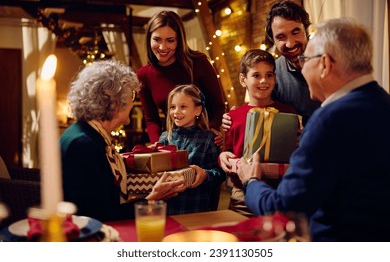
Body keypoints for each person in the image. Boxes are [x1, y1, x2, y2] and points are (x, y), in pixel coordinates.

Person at [237, 18, 390, 241]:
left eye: (305, 59)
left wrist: (251, 181)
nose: (301, 67)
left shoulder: (329, 120)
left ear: (325, 64)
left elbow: (285, 208)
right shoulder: (384, 103)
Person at [61, 60, 186, 222]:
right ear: (116, 102)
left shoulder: (84, 133)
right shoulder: (84, 145)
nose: (133, 102)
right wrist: (152, 199)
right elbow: (103, 215)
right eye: (131, 95)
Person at [219, 49, 297, 217]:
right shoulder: (233, 117)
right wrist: (223, 156)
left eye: (269, 75)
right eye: (256, 75)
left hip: (279, 193)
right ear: (243, 80)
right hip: (242, 195)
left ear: (275, 78)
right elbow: (229, 151)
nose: (264, 80)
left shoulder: (288, 112)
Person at [222, 0, 321, 131]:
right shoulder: (273, 73)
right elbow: (262, 109)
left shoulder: (331, 60)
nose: (290, 44)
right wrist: (235, 117)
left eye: (296, 32)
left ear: (306, 29)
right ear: (273, 40)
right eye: (281, 37)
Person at [137, 10, 225, 145]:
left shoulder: (198, 62)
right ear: (149, 39)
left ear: (179, 40)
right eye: (157, 39)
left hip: (204, 139)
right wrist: (157, 144)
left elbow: (218, 105)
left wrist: (211, 130)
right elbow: (151, 120)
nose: (162, 47)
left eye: (170, 40)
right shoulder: (143, 75)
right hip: (172, 142)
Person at [158, 84, 226, 214]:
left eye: (183, 107)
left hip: (195, 209)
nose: (176, 111)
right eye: (173, 107)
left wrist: (205, 175)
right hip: (167, 211)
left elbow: (220, 174)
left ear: (197, 110)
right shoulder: (165, 138)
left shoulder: (208, 139)